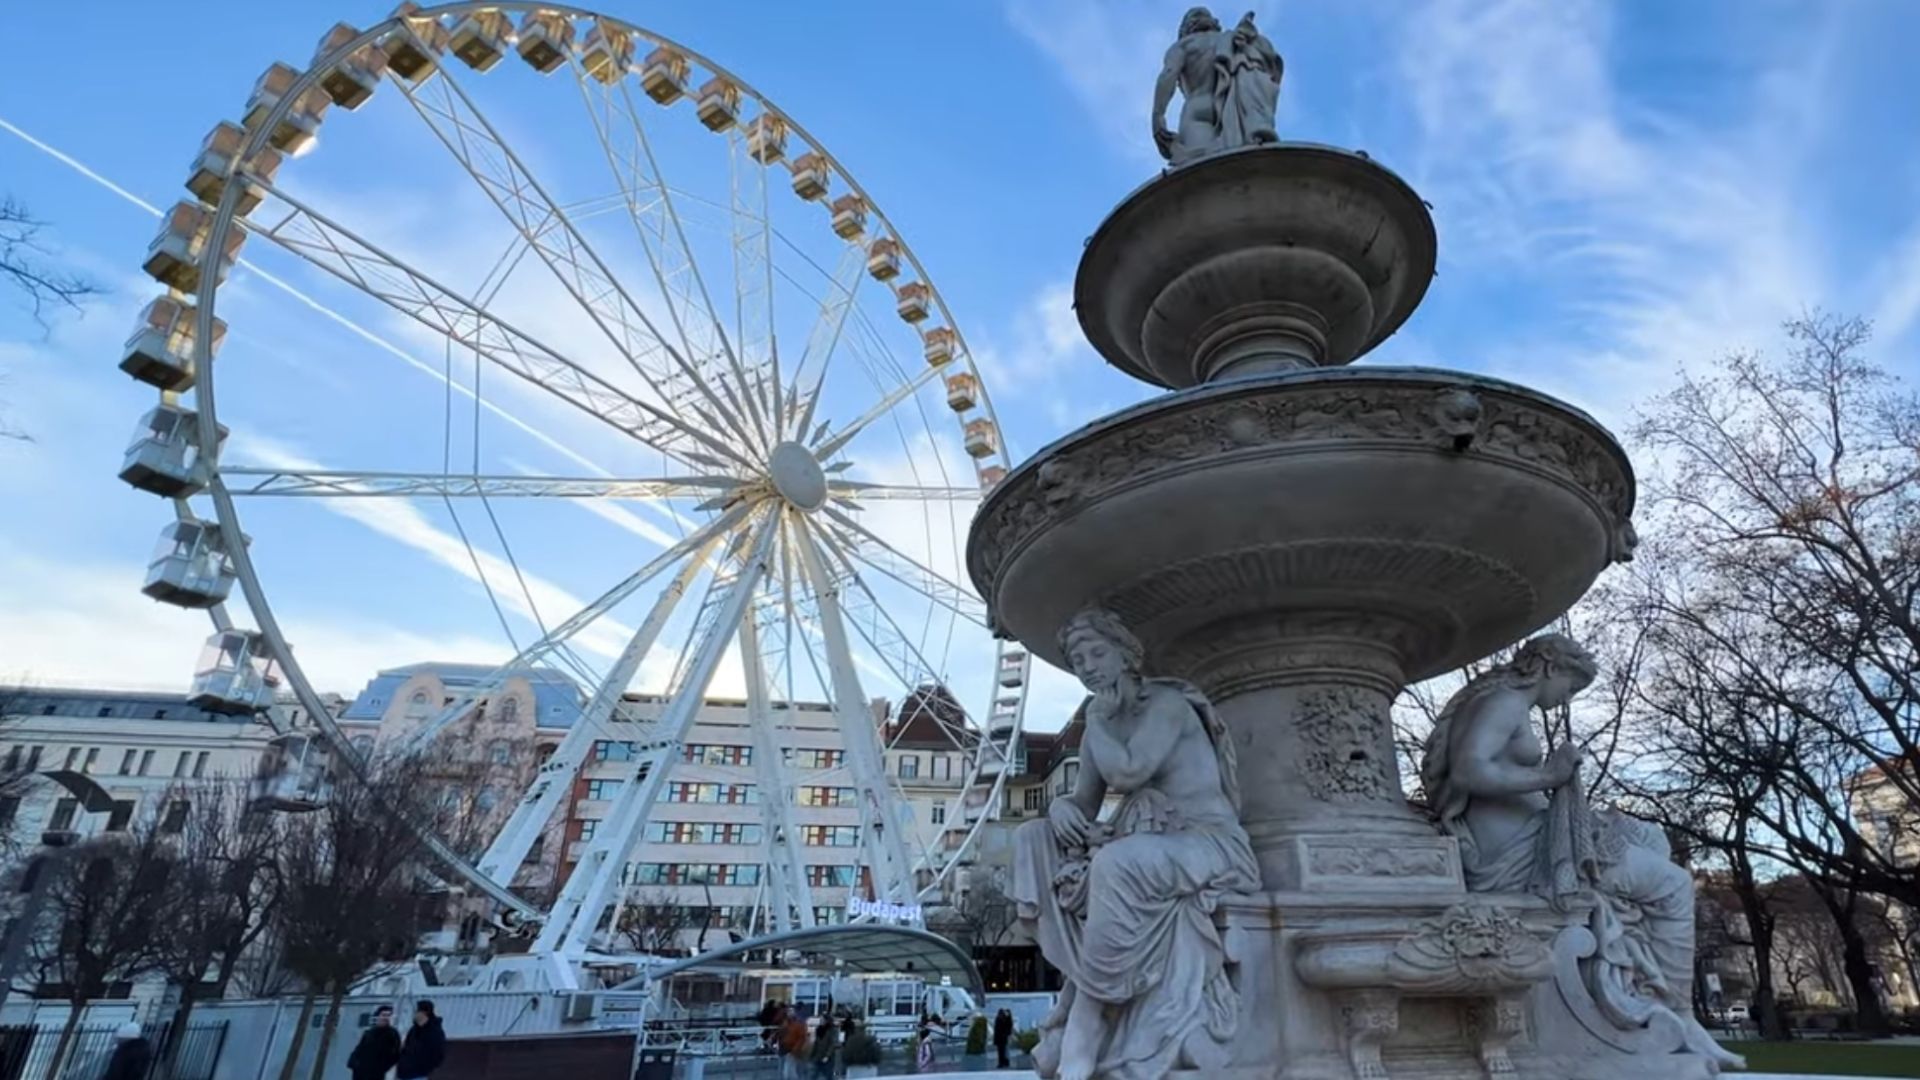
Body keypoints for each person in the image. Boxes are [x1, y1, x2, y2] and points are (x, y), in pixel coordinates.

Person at [1013, 608, 1260, 1080]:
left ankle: (1086, 1030)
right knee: (1032, 837)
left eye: (1097, 652)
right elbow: (1083, 801)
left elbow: (1128, 771)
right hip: (1154, 843)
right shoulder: (1102, 721)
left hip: (1209, 840)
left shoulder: (1165, 705)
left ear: (1128, 655)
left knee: (1118, 864)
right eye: (1077, 657)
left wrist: (1098, 720)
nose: (1086, 665)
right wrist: (1062, 809)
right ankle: (1092, 989)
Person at [395, 1001, 447, 1080]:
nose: (414, 1014)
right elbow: (405, 1046)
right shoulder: (414, 1030)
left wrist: (425, 1067)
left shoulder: (434, 1032)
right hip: (404, 1073)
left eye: (416, 1011)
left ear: (424, 1012)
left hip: (418, 1074)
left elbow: (438, 1054)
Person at [349, 1005, 403, 1080]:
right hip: (361, 1072)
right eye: (383, 1015)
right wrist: (354, 1063)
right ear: (378, 1016)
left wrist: (383, 1067)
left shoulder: (392, 1034)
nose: (386, 1018)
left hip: (377, 1073)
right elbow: (360, 1049)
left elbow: (396, 1054)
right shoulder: (369, 1033)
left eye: (388, 1015)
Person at [778, 1009, 810, 1080]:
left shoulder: (799, 1023)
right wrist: (773, 1039)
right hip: (783, 1048)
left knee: (790, 1071)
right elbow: (780, 1033)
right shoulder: (785, 1022)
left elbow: (802, 1038)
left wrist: (795, 1049)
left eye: (791, 1011)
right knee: (784, 1070)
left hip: (792, 1049)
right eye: (788, 1011)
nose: (789, 1013)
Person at [810, 1016, 840, 1080]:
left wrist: (827, 1056)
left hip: (827, 1058)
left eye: (822, 1020)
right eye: (820, 1020)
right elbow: (816, 1043)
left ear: (827, 1021)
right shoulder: (819, 1029)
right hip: (818, 1056)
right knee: (813, 1074)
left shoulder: (832, 1030)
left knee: (828, 1075)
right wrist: (812, 1054)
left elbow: (832, 1044)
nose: (821, 1021)